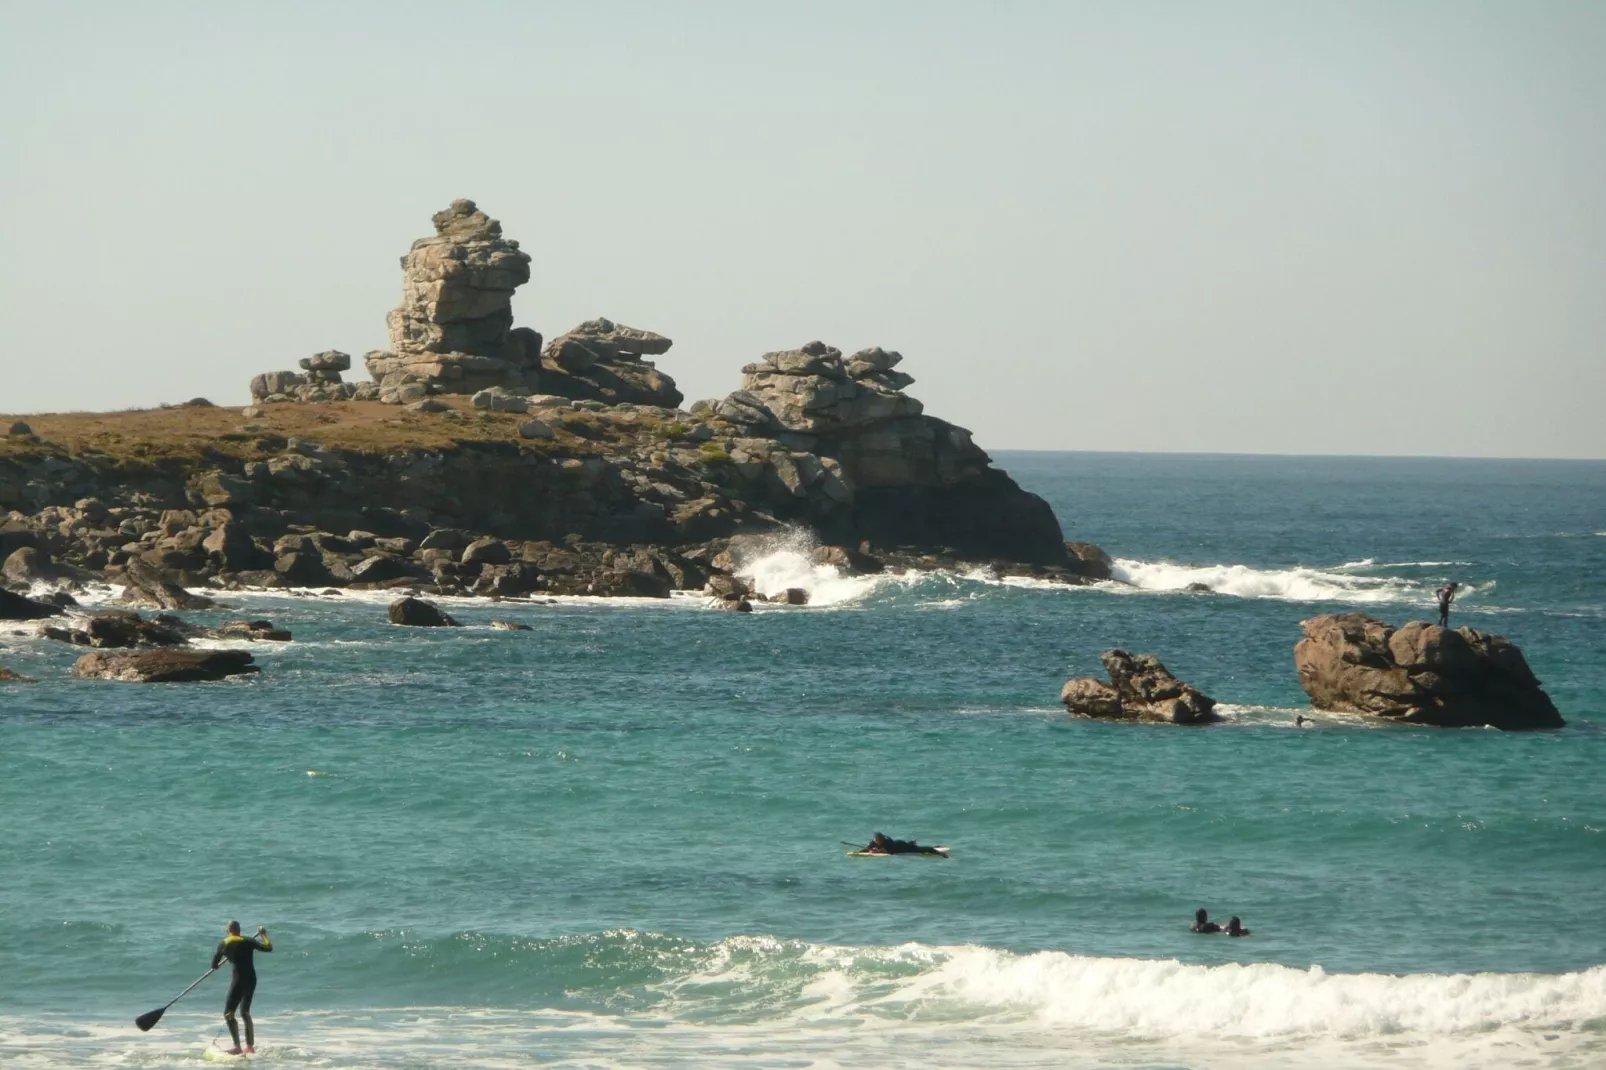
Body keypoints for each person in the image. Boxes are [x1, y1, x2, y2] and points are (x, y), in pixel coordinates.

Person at [210, 920, 271, 1055]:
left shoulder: (224, 943)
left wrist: (218, 964)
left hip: (238, 981)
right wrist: (264, 934)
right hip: (251, 980)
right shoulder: (248, 941)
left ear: (228, 931)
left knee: (229, 1013)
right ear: (240, 930)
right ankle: (250, 1047)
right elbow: (268, 947)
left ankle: (237, 1046)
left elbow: (214, 965)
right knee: (245, 1012)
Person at [861, 832, 944, 856]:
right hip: (897, 844)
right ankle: (912, 843)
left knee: (921, 850)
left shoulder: (888, 841)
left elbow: (889, 852)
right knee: (912, 845)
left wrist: (876, 851)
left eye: (878, 840)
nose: (877, 842)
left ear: (882, 838)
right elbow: (867, 848)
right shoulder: (874, 841)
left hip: (902, 846)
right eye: (876, 841)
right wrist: (859, 851)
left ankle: (939, 852)